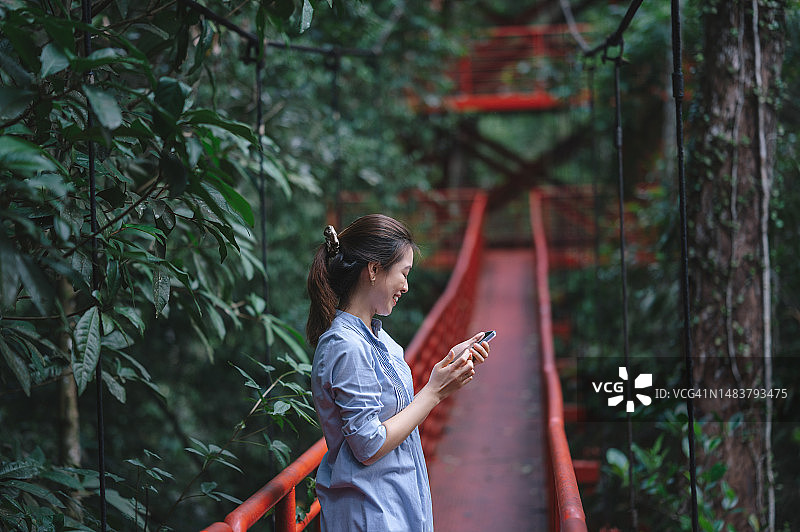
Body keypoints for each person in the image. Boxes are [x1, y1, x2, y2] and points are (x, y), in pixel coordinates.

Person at [306, 214, 490, 532]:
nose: (406, 286)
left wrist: (449, 364)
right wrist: (434, 392)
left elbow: (396, 413)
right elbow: (368, 444)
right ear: (374, 269)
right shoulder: (345, 346)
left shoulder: (379, 338)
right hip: (368, 512)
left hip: (396, 503)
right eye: (403, 273)